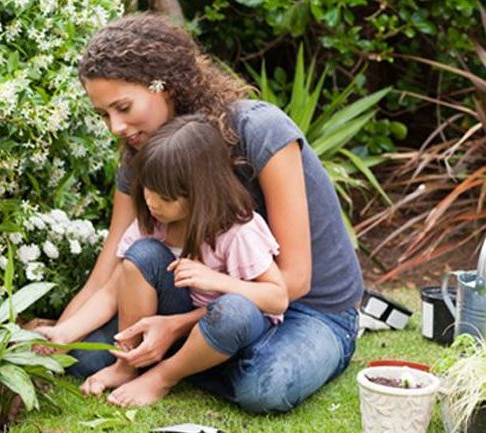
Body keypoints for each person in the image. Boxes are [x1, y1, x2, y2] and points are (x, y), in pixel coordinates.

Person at [37, 13, 363, 413]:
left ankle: (175, 364)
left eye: (123, 107)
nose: (115, 128)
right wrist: (57, 342)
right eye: (104, 115)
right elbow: (111, 268)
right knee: (87, 358)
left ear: (165, 85)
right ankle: (198, 356)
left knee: (267, 385)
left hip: (305, 310)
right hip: (203, 297)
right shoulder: (140, 156)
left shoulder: (260, 132)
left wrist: (175, 325)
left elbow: (291, 283)